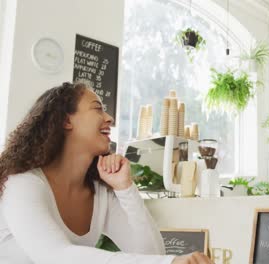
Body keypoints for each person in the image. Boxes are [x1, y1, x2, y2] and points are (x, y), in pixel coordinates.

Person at [0, 82, 213, 264]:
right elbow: (57, 257)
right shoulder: (22, 184)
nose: (109, 118)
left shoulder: (99, 192)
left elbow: (151, 253)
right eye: (97, 109)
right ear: (66, 121)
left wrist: (125, 188)